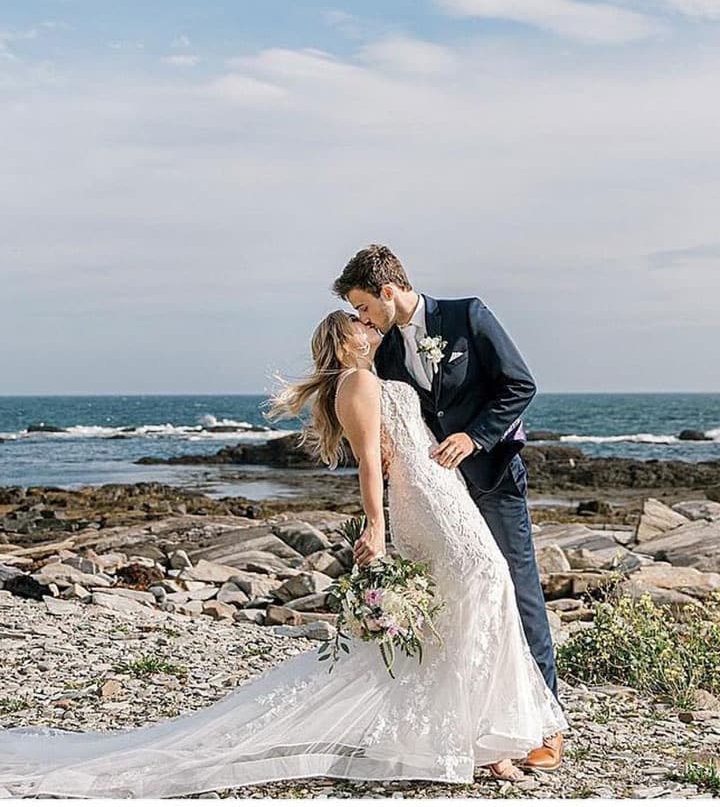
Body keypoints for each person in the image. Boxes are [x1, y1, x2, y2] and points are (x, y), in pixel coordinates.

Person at [0, 310, 567, 798]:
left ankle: (484, 738)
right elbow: (371, 462)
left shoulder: (364, 379)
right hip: (425, 495)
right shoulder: (358, 385)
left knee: (467, 600)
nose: (368, 325)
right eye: (358, 323)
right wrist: (375, 525)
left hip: (441, 489)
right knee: (484, 581)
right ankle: (489, 740)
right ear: (346, 341)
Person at [333, 243, 564, 773]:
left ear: (389, 291)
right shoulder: (385, 352)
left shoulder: (468, 316)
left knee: (517, 591)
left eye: (365, 306)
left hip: (491, 476)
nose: (363, 317)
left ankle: (545, 726)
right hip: (434, 496)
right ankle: (474, 723)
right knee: (455, 600)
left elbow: (520, 385)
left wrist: (474, 437)